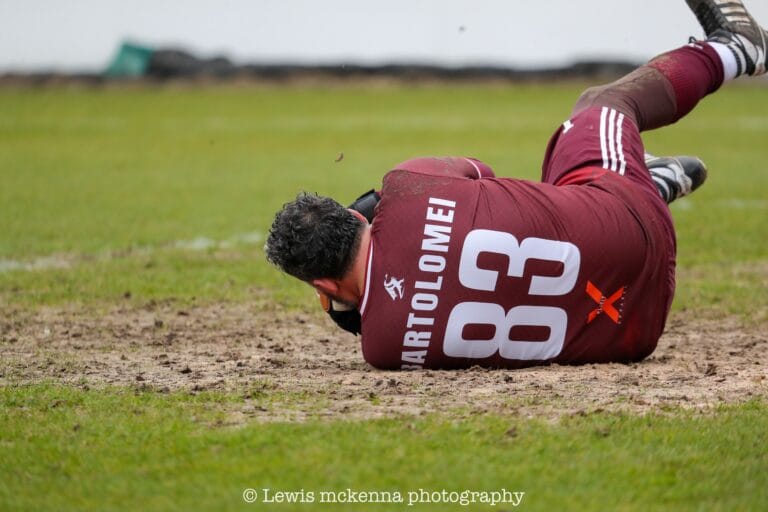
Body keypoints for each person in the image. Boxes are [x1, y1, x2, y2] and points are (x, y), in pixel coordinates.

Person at [266, 0, 767, 370]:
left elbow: (380, 310)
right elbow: (482, 172)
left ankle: (648, 180)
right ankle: (735, 49)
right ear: (357, 216)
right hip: (629, 223)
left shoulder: (383, 350)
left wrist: (352, 306)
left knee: (562, 180)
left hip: (637, 328)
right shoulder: (408, 183)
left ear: (325, 287)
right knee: (599, 107)